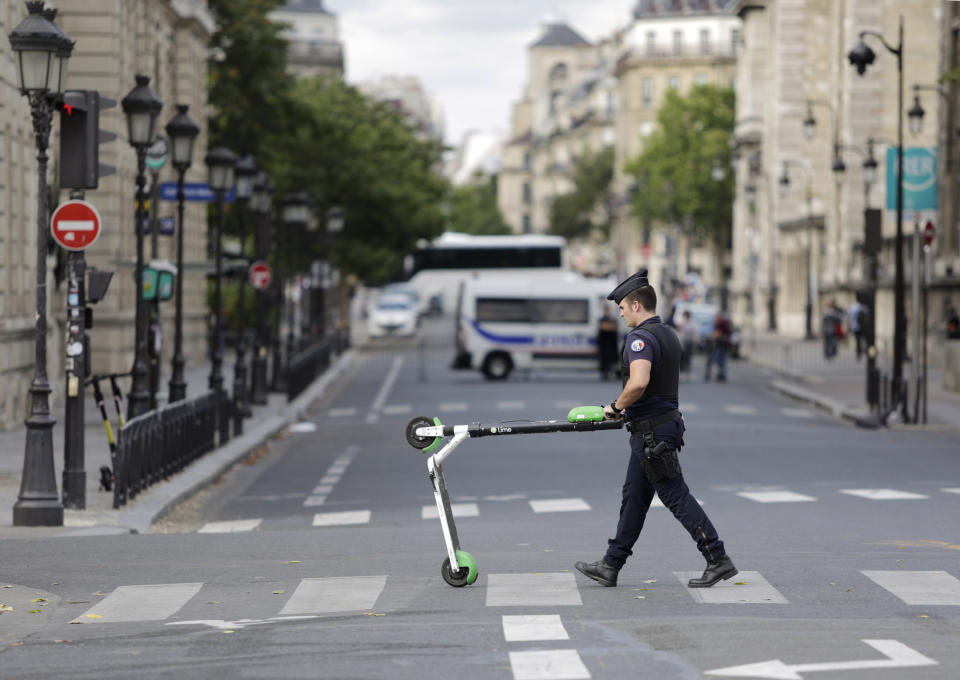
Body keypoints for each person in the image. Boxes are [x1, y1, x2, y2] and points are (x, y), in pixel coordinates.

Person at [574, 270, 737, 590]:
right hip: (658, 429)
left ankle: (717, 558)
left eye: (622, 307)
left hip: (652, 434)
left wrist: (616, 407)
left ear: (636, 305)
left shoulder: (639, 338)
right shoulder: (666, 333)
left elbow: (639, 382)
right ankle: (611, 564)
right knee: (634, 497)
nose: (620, 313)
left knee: (675, 495)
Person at [703, 311, 731, 382]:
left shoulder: (721, 323)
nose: (715, 318)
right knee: (721, 360)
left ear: (719, 317)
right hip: (722, 344)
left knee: (718, 359)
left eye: (716, 317)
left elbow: (717, 333)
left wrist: (710, 336)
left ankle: (722, 374)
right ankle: (722, 374)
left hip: (722, 345)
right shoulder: (721, 323)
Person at [597, 306, 620, 380]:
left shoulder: (612, 320)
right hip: (604, 345)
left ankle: (612, 372)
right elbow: (600, 332)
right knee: (604, 360)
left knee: (612, 360)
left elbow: (615, 333)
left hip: (611, 345)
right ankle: (605, 373)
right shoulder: (602, 320)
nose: (607, 312)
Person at [676, 309, 699, 376]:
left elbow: (695, 332)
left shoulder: (692, 322)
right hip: (682, 342)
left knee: (688, 356)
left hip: (689, 342)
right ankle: (682, 368)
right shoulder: (682, 321)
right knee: (682, 356)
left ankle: (687, 369)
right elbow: (679, 329)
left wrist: (696, 340)